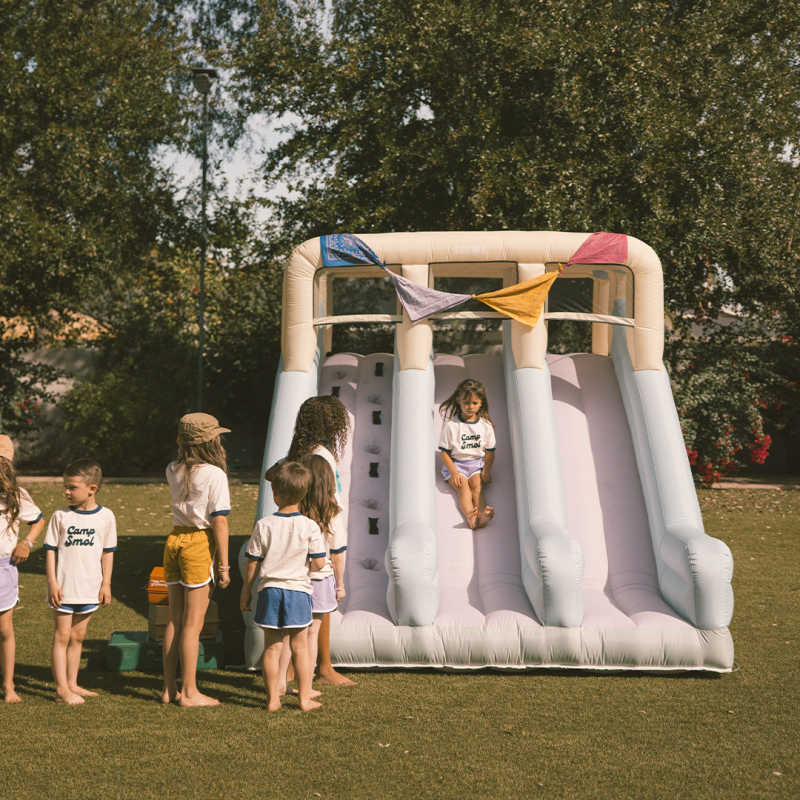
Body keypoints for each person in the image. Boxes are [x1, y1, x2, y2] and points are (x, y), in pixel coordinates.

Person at [240, 460, 327, 712]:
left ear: (275, 494)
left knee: (272, 647)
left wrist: (246, 591)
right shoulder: (310, 526)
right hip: (298, 592)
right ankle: (303, 698)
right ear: (303, 494)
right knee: (300, 647)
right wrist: (308, 566)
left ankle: (272, 700)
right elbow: (320, 563)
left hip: (269, 591)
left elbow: (252, 563)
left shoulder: (263, 525)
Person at [283, 394, 355, 686]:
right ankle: (321, 667)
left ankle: (304, 668)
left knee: (305, 605)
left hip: (298, 536)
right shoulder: (321, 455)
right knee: (319, 606)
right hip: (320, 535)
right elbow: (329, 496)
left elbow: (274, 476)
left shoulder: (297, 452)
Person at [162, 412, 231, 707]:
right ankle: (189, 693)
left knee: (174, 620)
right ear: (210, 441)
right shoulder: (215, 474)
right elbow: (220, 523)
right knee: (193, 624)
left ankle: (169, 689)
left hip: (174, 540)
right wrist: (224, 565)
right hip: (198, 544)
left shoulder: (172, 468)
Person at [44, 458, 116, 704]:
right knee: (62, 635)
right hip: (63, 588)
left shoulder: (106, 517)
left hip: (89, 588)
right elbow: (51, 550)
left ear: (92, 489)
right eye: (65, 486)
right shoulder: (60, 516)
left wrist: (106, 583)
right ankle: (62, 689)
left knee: (78, 637)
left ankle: (73, 683)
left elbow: (108, 552)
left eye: (72, 487)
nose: (67, 491)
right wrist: (53, 582)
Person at [296, 453, 347, 694]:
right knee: (311, 634)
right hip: (320, 580)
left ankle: (287, 679)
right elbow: (337, 553)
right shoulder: (333, 513)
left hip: (296, 578)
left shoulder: (295, 512)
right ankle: (307, 684)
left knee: (293, 634)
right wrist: (340, 585)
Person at [0, 435, 45, 703]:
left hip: (4, 566)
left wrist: (27, 543)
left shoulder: (17, 495)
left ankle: (9, 686)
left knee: (5, 629)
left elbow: (38, 521)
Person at [438, 378, 496, 529]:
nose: (470, 407)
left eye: (474, 403)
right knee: (464, 487)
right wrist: (454, 473)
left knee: (477, 487)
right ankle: (471, 518)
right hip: (457, 465)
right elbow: (444, 453)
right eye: (466, 403)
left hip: (476, 464)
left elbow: (490, 452)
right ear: (458, 400)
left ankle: (482, 515)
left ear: (481, 402)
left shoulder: (485, 426)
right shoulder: (452, 425)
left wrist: (487, 471)